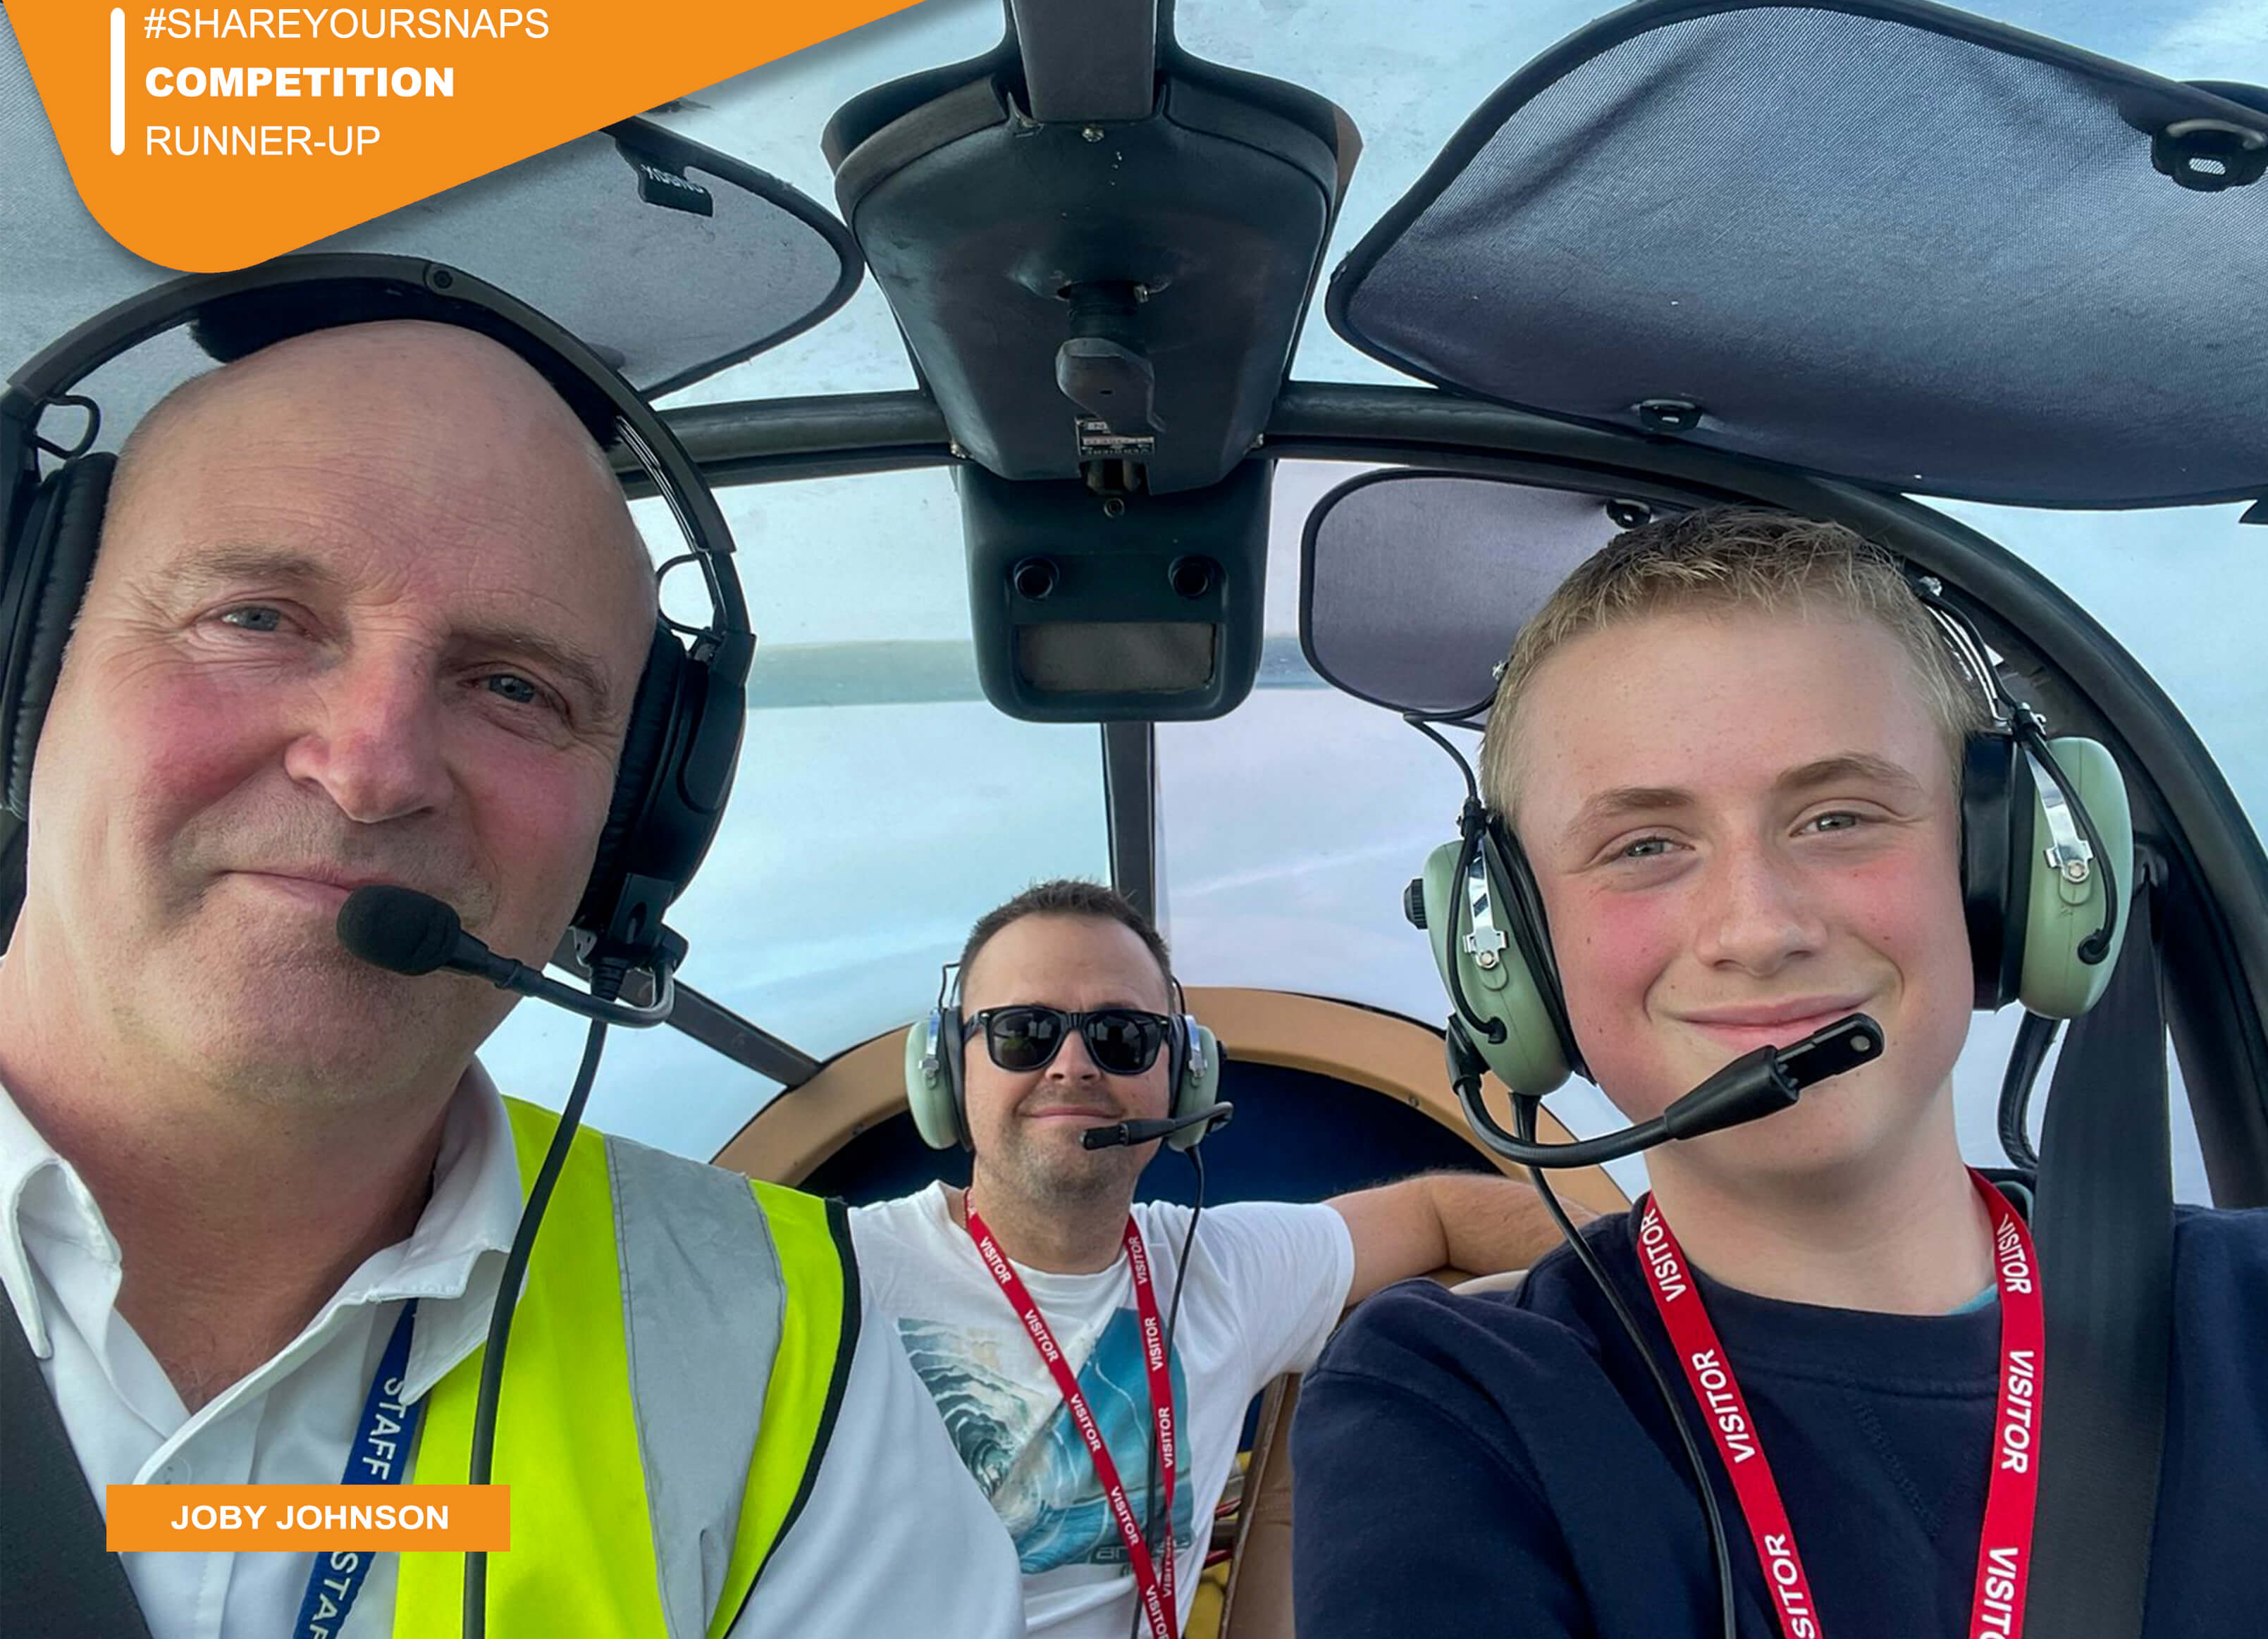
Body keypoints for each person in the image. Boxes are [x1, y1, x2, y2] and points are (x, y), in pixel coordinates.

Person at [0, 307, 1025, 1637]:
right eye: (256, 616)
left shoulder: (766, 1323)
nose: (371, 769)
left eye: (512, 687)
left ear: (636, 824)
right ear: (30, 660)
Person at [1290, 509, 2268, 1638]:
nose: (1756, 928)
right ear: (1510, 944)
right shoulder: (1454, 1407)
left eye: (1838, 816)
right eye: (1644, 845)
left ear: (2006, 874)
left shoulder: (2246, 1317)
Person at [851, 877, 1579, 1639]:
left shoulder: (1217, 1267)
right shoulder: (836, 1273)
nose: (1071, 1065)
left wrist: (1671, 1281)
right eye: (1021, 1032)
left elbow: (1440, 1211)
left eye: (1121, 1037)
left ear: (1184, 1075)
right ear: (946, 1067)